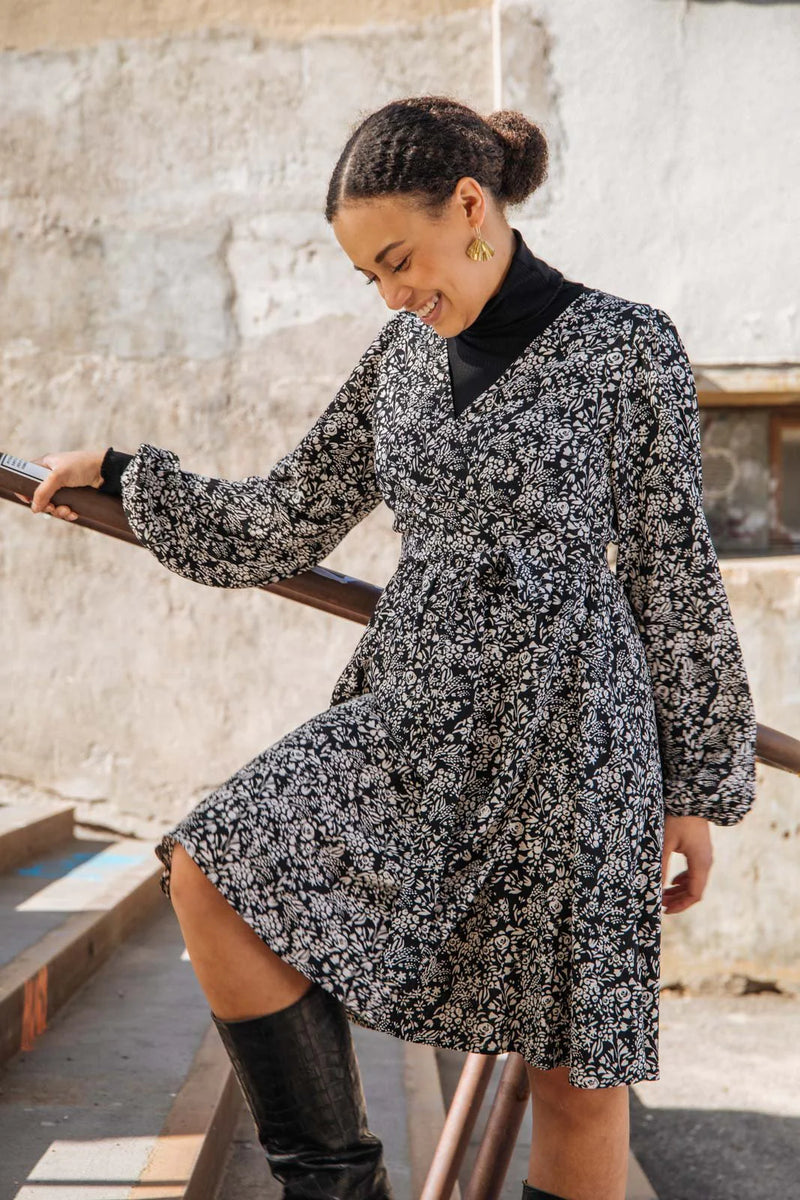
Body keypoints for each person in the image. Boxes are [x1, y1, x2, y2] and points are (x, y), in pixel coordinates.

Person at [19, 96, 758, 1200]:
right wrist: (124, 476)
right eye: (369, 275)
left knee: (574, 1079)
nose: (392, 293)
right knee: (212, 866)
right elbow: (279, 520)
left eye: (398, 260)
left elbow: (673, 573)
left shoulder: (627, 345)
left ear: (470, 207)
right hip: (413, 717)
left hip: (577, 739)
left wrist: (690, 790)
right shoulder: (398, 360)